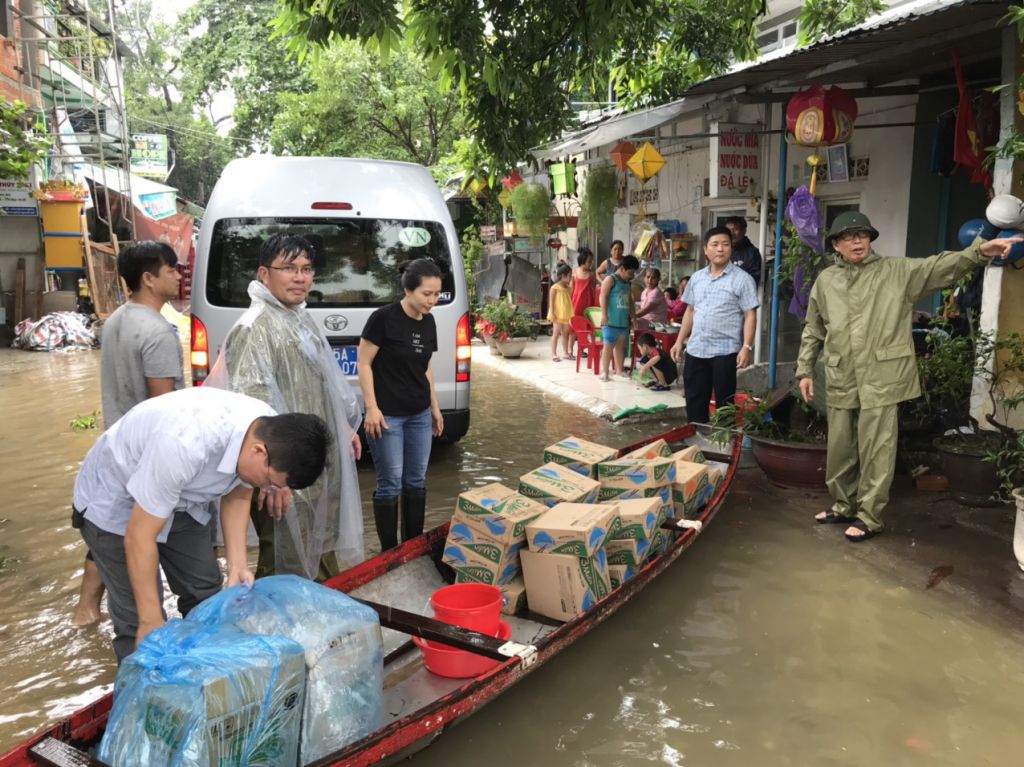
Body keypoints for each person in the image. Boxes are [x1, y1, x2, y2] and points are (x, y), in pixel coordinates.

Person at [796, 212, 1021, 542]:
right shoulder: (826, 281)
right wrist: (804, 368)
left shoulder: (896, 272)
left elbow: (937, 266)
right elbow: (814, 328)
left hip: (882, 374)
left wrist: (977, 252)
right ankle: (844, 504)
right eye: (848, 237)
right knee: (840, 445)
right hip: (841, 371)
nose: (857, 241)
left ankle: (870, 516)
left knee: (877, 447)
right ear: (836, 245)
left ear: (870, 239)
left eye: (863, 235)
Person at [73, 386, 331, 661]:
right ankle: (148, 697)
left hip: (185, 497)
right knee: (139, 619)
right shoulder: (185, 443)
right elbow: (139, 536)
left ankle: (205, 679)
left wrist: (238, 566)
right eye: (269, 483)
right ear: (259, 452)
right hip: (116, 500)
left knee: (206, 595)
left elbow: (240, 494)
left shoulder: (270, 428)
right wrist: (150, 621)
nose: (266, 489)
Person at [206, 234, 364, 581]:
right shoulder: (255, 328)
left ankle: (319, 617)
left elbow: (323, 385)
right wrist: (273, 483)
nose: (300, 277)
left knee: (319, 548)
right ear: (264, 274)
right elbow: (253, 413)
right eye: (289, 268)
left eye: (307, 269)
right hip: (280, 472)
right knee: (284, 560)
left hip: (311, 465)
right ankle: (277, 628)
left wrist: (342, 428)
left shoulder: (300, 319)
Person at [73, 241, 184, 627]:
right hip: (143, 456)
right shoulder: (158, 333)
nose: (178, 275)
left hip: (113, 448)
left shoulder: (118, 318)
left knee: (110, 527)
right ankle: (136, 623)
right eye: (171, 269)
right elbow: (164, 409)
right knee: (134, 536)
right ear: (149, 279)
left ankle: (85, 611)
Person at [358, 258, 445, 551]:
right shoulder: (383, 318)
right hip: (387, 417)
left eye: (436, 295)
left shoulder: (429, 321)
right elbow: (364, 363)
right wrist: (371, 407)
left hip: (419, 413)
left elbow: (426, 367)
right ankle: (389, 552)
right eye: (426, 294)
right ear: (408, 290)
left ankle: (413, 547)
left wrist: (434, 406)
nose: (432, 301)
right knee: (390, 483)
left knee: (416, 480)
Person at [670, 226, 759, 424]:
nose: (720, 249)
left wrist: (746, 347)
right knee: (694, 399)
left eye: (725, 245)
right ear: (706, 250)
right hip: (696, 348)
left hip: (725, 351)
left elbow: (750, 315)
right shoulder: (697, 278)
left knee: (725, 403)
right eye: (715, 245)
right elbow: (690, 311)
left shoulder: (743, 279)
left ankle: (724, 442)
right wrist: (678, 341)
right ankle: (696, 437)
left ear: (731, 249)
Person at [599, 254, 640, 381]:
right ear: (622, 268)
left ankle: (619, 370)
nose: (632, 276)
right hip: (610, 321)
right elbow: (603, 297)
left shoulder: (627, 283)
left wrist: (633, 318)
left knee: (620, 347)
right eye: (630, 273)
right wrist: (604, 315)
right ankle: (605, 372)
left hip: (623, 321)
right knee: (608, 347)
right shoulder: (610, 280)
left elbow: (630, 302)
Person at [723, 216, 762, 288]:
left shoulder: (752, 253)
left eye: (735, 229)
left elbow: (753, 281)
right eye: (728, 230)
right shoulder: (722, 250)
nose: (731, 233)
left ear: (744, 231)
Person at [548, 262, 574, 362]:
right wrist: (553, 313)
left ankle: (566, 353)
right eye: (569, 276)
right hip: (557, 315)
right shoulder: (554, 288)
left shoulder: (569, 288)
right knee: (556, 333)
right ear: (563, 276)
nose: (571, 278)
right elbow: (552, 302)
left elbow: (568, 300)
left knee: (565, 334)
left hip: (566, 314)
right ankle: (554, 354)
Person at [571, 248, 598, 317]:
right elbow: (571, 288)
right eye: (589, 261)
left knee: (587, 322)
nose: (591, 263)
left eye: (592, 261)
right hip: (576, 301)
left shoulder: (592, 274)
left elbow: (594, 290)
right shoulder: (575, 271)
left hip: (588, 302)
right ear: (583, 260)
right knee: (575, 321)